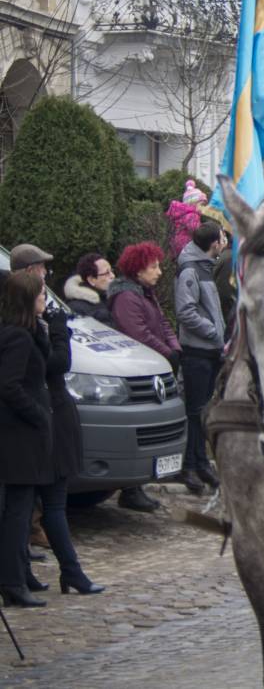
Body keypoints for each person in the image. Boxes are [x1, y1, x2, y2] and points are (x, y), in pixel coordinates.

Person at [39, 295, 104, 596]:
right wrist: (58, 331)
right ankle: (71, 570)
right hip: (45, 419)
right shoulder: (24, 330)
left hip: (50, 418)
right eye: (41, 294)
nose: (46, 300)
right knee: (50, 502)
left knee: (38, 503)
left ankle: (28, 574)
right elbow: (58, 363)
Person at [108, 241, 179, 513]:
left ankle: (137, 487)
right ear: (138, 270)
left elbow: (162, 324)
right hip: (137, 368)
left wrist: (175, 350)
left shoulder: (145, 292)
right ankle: (131, 489)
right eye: (153, 267)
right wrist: (166, 353)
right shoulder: (127, 297)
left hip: (156, 365)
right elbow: (137, 333)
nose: (159, 271)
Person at [0, 272, 54, 608]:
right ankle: (12, 581)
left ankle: (20, 574)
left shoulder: (28, 332)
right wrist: (37, 415)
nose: (45, 299)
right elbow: (9, 385)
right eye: (41, 295)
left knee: (23, 507)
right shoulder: (17, 336)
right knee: (18, 512)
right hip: (19, 434)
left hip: (25, 433)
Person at [174, 222, 227, 495]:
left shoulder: (205, 265)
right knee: (194, 412)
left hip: (210, 351)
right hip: (197, 351)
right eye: (222, 237)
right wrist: (212, 331)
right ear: (213, 243)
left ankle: (201, 463)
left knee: (202, 411)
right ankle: (190, 466)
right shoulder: (191, 270)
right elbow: (185, 311)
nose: (225, 240)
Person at [63, 253, 116, 325]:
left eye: (111, 271)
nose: (113, 276)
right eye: (107, 273)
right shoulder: (77, 308)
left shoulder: (111, 299)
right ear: (91, 280)